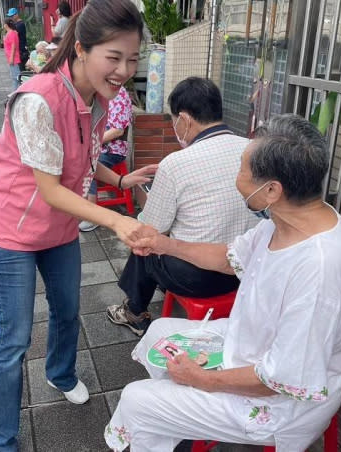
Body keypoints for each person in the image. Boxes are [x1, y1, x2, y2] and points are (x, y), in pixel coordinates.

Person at [104, 114, 341, 452]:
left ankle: (170, 413)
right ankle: (177, 419)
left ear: (272, 190)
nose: (236, 178)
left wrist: (204, 380)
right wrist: (165, 245)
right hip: (251, 345)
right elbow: (230, 257)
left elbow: (281, 378)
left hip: (282, 405)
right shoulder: (287, 220)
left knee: (137, 399)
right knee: (158, 333)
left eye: (242, 170)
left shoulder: (319, 268)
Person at [0, 1, 152, 449]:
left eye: (132, 59)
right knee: (13, 339)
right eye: (113, 57)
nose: (124, 70)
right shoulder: (37, 99)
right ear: (80, 49)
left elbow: (82, 160)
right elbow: (51, 188)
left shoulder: (97, 99)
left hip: (58, 231)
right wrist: (117, 221)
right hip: (10, 234)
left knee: (69, 312)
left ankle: (60, 373)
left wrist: (118, 178)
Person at [105, 77, 258, 336]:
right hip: (249, 267)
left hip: (200, 278)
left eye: (174, 119)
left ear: (184, 119)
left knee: (146, 245)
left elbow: (151, 226)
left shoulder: (176, 163)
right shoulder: (255, 150)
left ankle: (134, 312)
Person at [78, 84, 134, 232]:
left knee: (87, 164)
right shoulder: (101, 91)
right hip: (99, 146)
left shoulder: (118, 94)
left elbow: (117, 131)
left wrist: (91, 142)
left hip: (112, 149)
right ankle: (81, 206)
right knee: (77, 159)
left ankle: (92, 215)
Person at [2, 19, 22, 91]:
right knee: (15, 77)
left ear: (6, 25)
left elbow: (13, 46)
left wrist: (11, 58)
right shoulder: (12, 33)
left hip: (14, 58)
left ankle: (16, 93)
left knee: (16, 77)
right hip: (12, 58)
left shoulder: (11, 33)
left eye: (4, 24)